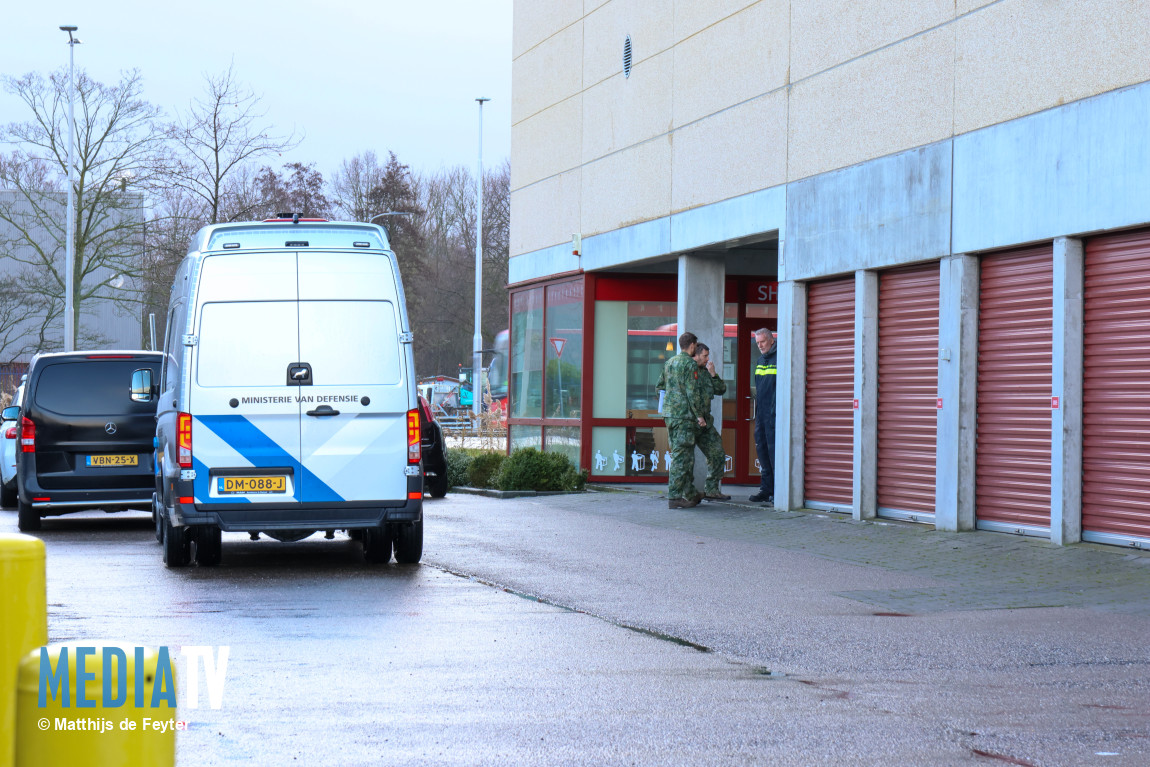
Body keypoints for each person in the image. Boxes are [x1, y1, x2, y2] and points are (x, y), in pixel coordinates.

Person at [659, 331, 705, 508]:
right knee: (681, 457)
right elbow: (692, 393)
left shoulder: (669, 363)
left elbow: (659, 387)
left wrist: (668, 406)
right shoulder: (689, 364)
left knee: (685, 456)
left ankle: (690, 493)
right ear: (692, 345)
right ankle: (675, 497)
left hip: (670, 416)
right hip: (684, 417)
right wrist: (699, 415)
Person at [690, 342, 730, 502]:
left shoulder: (706, 372)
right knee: (685, 459)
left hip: (705, 424)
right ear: (696, 355)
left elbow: (721, 390)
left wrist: (713, 374)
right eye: (705, 356)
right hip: (690, 423)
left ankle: (712, 490)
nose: (707, 359)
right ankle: (685, 493)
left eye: (708, 356)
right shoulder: (687, 370)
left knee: (718, 453)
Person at [750, 329, 777, 504]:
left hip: (774, 414)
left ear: (771, 340)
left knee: (775, 452)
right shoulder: (761, 360)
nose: (759, 345)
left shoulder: (779, 358)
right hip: (761, 414)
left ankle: (778, 490)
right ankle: (766, 489)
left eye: (762, 342)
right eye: (757, 343)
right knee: (763, 450)